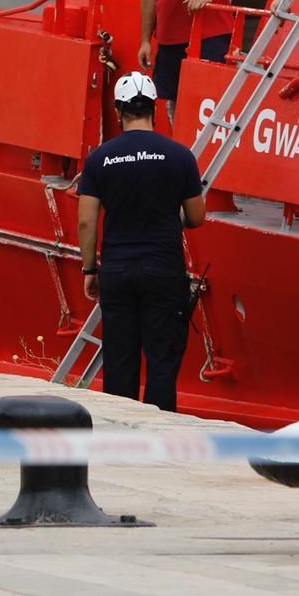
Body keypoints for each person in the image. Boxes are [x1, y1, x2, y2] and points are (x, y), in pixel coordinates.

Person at [77, 72, 206, 413]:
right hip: (164, 268)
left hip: (117, 270)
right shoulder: (180, 156)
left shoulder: (100, 158)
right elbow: (196, 216)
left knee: (120, 358)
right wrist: (167, 217)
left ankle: (120, 433)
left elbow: (86, 221)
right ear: (154, 110)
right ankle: (158, 436)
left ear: (119, 111)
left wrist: (90, 268)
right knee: (162, 359)